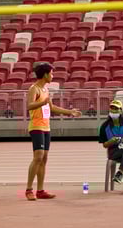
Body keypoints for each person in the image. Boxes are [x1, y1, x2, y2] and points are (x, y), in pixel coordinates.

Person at [25, 62, 81, 201]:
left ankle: (40, 190)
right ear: (44, 74)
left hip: (46, 127)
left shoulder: (45, 90)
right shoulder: (34, 89)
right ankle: (28, 189)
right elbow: (30, 106)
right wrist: (42, 103)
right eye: (51, 73)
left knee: (44, 159)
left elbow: (52, 107)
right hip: (36, 126)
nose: (52, 76)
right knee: (38, 157)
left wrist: (69, 112)